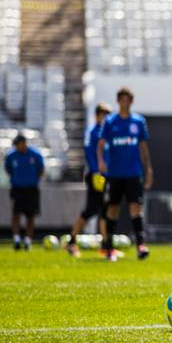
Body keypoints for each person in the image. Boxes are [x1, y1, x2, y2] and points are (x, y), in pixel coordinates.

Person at [97, 87, 153, 262]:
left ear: (131, 101)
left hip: (133, 172)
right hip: (115, 173)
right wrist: (101, 161)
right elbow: (100, 144)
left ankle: (140, 245)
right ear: (118, 101)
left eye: (128, 99)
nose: (125, 102)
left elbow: (143, 147)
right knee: (113, 209)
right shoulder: (110, 121)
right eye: (122, 99)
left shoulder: (138, 121)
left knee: (135, 207)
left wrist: (148, 168)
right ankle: (109, 247)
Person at [67, 102, 112, 258]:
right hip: (96, 176)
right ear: (97, 115)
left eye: (108, 115)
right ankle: (72, 241)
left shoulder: (109, 132)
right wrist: (96, 172)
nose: (106, 118)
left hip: (108, 177)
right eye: (103, 114)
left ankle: (106, 245)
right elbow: (89, 153)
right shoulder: (92, 131)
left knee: (107, 210)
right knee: (91, 209)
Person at [3, 134, 45, 251]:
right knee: (16, 214)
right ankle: (16, 239)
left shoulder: (35, 155)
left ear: (25, 143)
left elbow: (41, 170)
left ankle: (28, 241)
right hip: (17, 189)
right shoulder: (11, 156)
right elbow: (8, 169)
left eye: (20, 144)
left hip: (31, 189)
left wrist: (33, 180)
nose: (19, 147)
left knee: (30, 216)